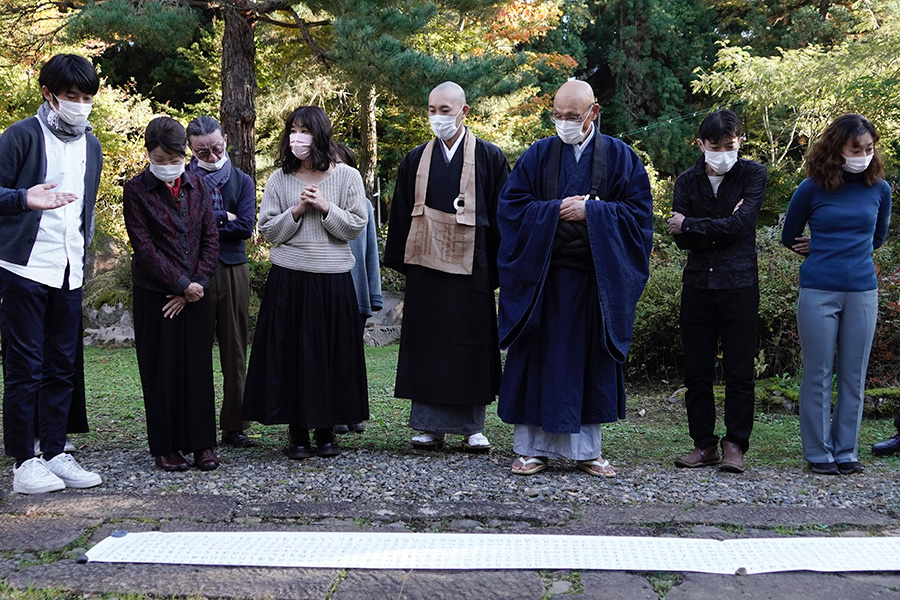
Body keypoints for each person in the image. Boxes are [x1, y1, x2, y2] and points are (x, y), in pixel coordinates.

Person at [496, 80, 653, 477]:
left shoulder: (621, 157)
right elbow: (511, 208)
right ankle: (531, 449)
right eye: (557, 115)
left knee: (589, 363)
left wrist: (594, 214)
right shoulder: (538, 154)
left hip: (593, 283)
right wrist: (555, 211)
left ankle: (587, 451)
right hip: (543, 281)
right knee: (538, 362)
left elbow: (639, 216)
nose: (563, 123)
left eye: (572, 116)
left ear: (593, 113)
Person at [383, 81, 509, 452]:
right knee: (428, 344)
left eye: (445, 110)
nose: (437, 117)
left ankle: (473, 427)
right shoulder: (414, 160)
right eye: (432, 110)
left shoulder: (490, 157)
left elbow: (504, 218)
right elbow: (402, 218)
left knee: (471, 344)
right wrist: (410, 266)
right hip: (427, 270)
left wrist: (495, 269)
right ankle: (428, 427)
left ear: (465, 112)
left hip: (473, 271)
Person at [0, 54, 103, 494]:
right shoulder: (22, 135)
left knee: (62, 366)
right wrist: (25, 199)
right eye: (71, 97)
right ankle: (25, 462)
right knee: (25, 367)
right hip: (23, 267)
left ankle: (55, 452)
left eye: (87, 98)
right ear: (49, 94)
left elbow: (86, 211)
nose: (80, 105)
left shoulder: (91, 145)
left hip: (69, 268)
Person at [242, 106, 369, 459]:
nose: (297, 138)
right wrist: (296, 210)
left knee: (330, 357)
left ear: (321, 135)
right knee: (291, 356)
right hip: (290, 276)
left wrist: (326, 207)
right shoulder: (280, 179)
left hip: (333, 276)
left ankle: (327, 433)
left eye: (305, 131)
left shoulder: (347, 177)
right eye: (293, 130)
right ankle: (296, 433)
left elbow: (356, 226)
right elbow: (268, 231)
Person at [781, 113, 891, 475]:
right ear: (836, 147)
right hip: (818, 290)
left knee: (853, 374)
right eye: (855, 148)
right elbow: (789, 236)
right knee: (817, 372)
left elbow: (877, 238)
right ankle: (818, 452)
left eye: (868, 148)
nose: (862, 154)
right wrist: (822, 248)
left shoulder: (880, 190)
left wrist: (844, 249)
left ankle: (846, 450)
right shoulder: (811, 188)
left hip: (862, 290)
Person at [667, 110, 767, 474]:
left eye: (730, 144)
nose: (724, 151)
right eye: (716, 146)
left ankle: (735, 444)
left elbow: (742, 225)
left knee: (740, 371)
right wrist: (719, 226)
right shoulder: (687, 181)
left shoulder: (752, 173)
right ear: (701, 145)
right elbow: (679, 241)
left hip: (740, 284)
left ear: (740, 141)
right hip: (697, 284)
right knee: (696, 371)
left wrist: (692, 224)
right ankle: (703, 443)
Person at [123, 116, 221, 472]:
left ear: (184, 155)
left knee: (197, 369)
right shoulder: (136, 190)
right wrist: (179, 285)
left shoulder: (197, 184)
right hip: (156, 295)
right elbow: (144, 247)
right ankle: (166, 446)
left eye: (173, 159)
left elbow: (211, 237)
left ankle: (203, 444)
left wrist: (196, 283)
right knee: (161, 370)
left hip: (198, 291)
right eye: (160, 160)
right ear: (149, 154)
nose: (167, 166)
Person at [186, 116, 257, 448]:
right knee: (193, 351)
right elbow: (182, 224)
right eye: (203, 151)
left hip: (233, 268)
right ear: (191, 149)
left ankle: (235, 425)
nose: (212, 156)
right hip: (194, 272)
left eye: (216, 148)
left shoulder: (242, 180)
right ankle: (195, 426)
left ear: (226, 140)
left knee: (235, 348)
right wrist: (220, 217)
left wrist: (205, 221)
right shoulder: (183, 178)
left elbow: (244, 227)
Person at [334, 144, 381, 435]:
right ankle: (334, 412)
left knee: (352, 356)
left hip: (356, 290)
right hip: (328, 288)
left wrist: (373, 294)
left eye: (343, 164)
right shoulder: (320, 200)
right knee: (331, 353)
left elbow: (370, 252)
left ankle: (353, 413)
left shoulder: (364, 204)